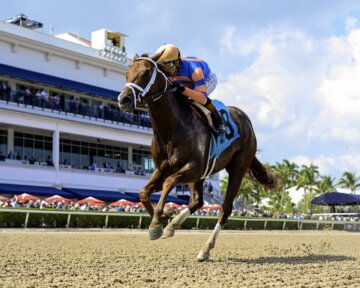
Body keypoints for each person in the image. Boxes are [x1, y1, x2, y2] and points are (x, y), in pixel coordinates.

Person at [155, 44, 226, 135]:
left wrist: (185, 90)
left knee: (194, 98)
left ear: (177, 62)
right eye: (162, 66)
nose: (166, 70)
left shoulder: (195, 70)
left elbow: (202, 97)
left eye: (169, 65)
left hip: (207, 79)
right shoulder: (168, 69)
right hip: (188, 81)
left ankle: (218, 120)